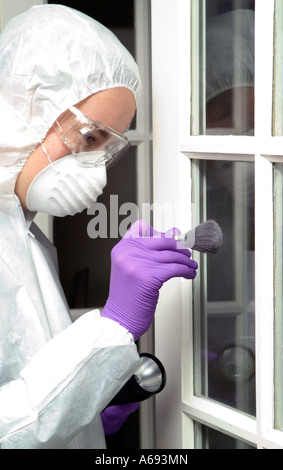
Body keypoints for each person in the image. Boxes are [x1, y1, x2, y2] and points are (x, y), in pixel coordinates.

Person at [0, 5, 197, 449]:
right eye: (90, 138)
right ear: (22, 109)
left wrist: (90, 406)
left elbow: (31, 382)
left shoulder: (23, 237)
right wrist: (114, 323)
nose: (99, 173)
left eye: (110, 150)